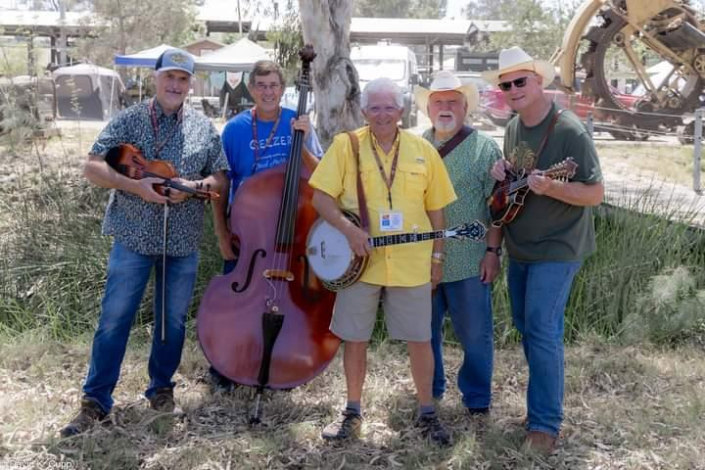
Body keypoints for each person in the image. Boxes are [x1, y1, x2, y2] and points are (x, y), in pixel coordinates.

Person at [61, 48, 229, 437]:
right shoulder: (129, 119)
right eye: (169, 76)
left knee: (172, 323)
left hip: (182, 242)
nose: (175, 84)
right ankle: (96, 400)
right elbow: (92, 166)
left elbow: (220, 178)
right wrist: (135, 186)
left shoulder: (204, 128)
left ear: (191, 84)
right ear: (156, 79)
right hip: (133, 238)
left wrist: (194, 186)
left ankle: (161, 390)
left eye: (183, 79)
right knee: (114, 319)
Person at [309, 78, 458, 446]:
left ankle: (427, 412)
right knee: (355, 338)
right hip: (359, 265)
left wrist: (438, 257)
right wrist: (348, 230)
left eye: (389, 107)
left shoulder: (423, 150)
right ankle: (352, 412)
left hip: (411, 263)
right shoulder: (346, 146)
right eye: (374, 108)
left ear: (401, 111)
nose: (382, 114)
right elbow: (321, 200)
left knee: (420, 339)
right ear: (364, 112)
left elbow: (436, 211)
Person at [481, 47, 604, 453]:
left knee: (541, 328)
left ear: (538, 82)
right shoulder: (514, 127)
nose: (513, 89)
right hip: (521, 246)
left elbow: (595, 193)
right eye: (506, 85)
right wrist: (503, 174)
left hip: (559, 246)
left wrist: (552, 187)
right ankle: (540, 407)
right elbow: (513, 187)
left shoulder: (569, 131)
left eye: (520, 81)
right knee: (527, 326)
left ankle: (545, 426)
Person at [209, 59, 323, 389]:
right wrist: (221, 232)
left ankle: (282, 362)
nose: (268, 91)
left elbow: (320, 174)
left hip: (290, 229)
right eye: (261, 85)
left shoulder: (298, 121)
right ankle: (227, 366)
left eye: (273, 85)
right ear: (251, 89)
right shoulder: (235, 129)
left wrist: (303, 141)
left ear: (282, 89)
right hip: (248, 232)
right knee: (236, 303)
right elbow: (222, 183)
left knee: (288, 299)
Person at [414, 70, 503, 415]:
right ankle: (431, 391)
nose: (445, 108)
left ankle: (477, 399)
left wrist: (493, 252)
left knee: (476, 335)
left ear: (465, 108)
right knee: (425, 332)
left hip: (470, 258)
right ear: (428, 109)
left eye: (453, 101)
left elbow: (498, 209)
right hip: (423, 259)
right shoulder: (415, 147)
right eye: (439, 102)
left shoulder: (485, 148)